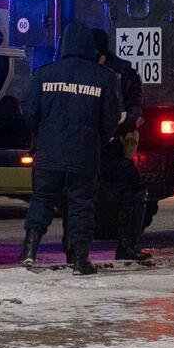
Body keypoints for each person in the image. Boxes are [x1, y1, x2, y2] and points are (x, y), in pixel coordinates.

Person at [19, 23, 121, 274]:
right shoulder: (104, 77)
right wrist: (98, 140)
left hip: (49, 151)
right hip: (84, 154)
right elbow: (111, 118)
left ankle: (29, 252)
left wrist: (42, 134)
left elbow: (30, 112)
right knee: (81, 205)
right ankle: (80, 260)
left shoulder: (44, 74)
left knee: (41, 200)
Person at [93, 28, 152, 263]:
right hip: (91, 145)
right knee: (78, 196)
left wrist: (122, 125)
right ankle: (75, 251)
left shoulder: (123, 72)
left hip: (110, 144)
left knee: (135, 189)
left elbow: (135, 108)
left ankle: (126, 245)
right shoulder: (98, 70)